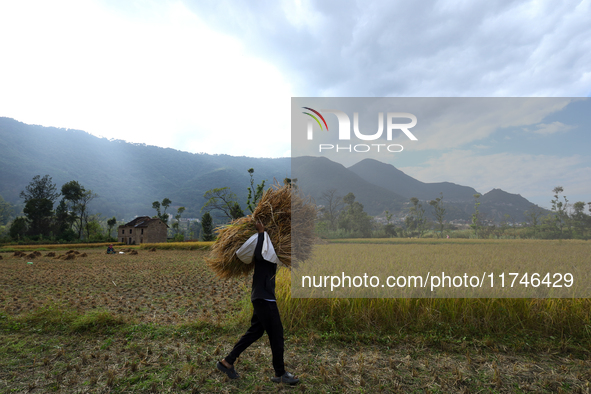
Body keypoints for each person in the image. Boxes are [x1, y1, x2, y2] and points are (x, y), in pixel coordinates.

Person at [216, 221, 299, 385]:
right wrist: (261, 232)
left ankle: (227, 362)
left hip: (261, 296)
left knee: (255, 332)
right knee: (277, 334)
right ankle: (280, 373)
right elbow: (261, 254)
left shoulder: (272, 254)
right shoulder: (264, 251)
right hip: (264, 298)